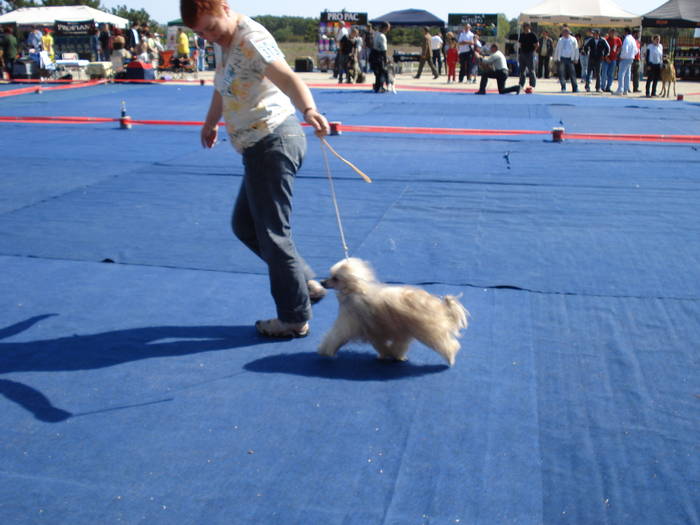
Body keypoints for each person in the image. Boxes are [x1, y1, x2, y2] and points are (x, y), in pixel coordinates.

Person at [181, 0, 330, 338]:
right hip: (255, 146)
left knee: (273, 234)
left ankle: (294, 317)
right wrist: (210, 122)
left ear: (224, 7)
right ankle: (305, 283)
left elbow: (288, 77)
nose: (207, 37)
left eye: (211, 28)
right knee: (245, 225)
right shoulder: (224, 42)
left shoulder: (252, 38)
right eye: (200, 33)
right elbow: (222, 85)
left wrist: (310, 109)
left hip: (272, 140)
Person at [554, 26, 579, 92]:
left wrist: (576, 58)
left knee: (572, 74)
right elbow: (557, 49)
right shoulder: (560, 39)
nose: (564, 33)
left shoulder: (573, 39)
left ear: (569, 32)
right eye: (563, 32)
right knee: (562, 74)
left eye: (566, 32)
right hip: (562, 58)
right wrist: (556, 58)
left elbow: (576, 49)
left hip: (570, 59)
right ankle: (563, 87)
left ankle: (575, 88)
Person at [615, 27, 636, 95]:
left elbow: (625, 48)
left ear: (626, 32)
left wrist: (622, 57)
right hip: (631, 58)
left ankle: (620, 89)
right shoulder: (633, 39)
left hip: (625, 58)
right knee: (627, 74)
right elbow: (636, 50)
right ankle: (626, 90)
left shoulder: (626, 39)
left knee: (621, 74)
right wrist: (632, 55)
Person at [370, 22, 389, 93]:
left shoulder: (376, 34)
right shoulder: (382, 36)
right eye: (387, 28)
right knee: (382, 72)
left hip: (373, 54)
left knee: (377, 73)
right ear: (385, 28)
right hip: (379, 55)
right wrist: (385, 59)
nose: (388, 30)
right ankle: (380, 86)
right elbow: (384, 50)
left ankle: (377, 86)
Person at [518, 22, 538, 90]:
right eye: (524, 26)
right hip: (522, 54)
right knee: (522, 71)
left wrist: (533, 51)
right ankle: (521, 84)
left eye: (526, 26)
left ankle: (532, 85)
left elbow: (537, 44)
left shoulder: (532, 35)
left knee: (531, 70)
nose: (524, 28)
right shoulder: (522, 35)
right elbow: (520, 44)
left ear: (529, 27)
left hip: (529, 54)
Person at [602, 28, 621, 92]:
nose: (612, 34)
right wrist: (606, 58)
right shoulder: (606, 40)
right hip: (606, 59)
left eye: (613, 32)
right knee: (604, 73)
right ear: (609, 33)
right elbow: (603, 50)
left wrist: (618, 52)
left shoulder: (617, 39)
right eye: (611, 32)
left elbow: (620, 46)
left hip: (613, 59)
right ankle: (602, 87)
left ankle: (608, 87)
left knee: (611, 74)